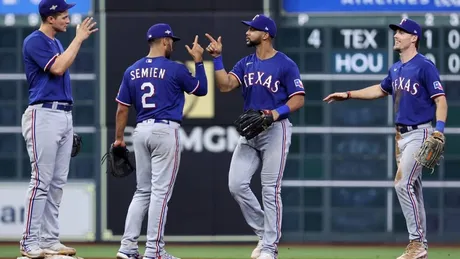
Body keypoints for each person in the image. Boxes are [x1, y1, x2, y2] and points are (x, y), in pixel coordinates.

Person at [323, 18, 447, 259]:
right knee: (414, 190)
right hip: (401, 135)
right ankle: (421, 247)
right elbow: (380, 90)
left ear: (414, 38)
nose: (396, 36)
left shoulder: (424, 66)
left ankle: (416, 244)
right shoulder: (396, 68)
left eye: (401, 32)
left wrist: (438, 130)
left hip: (420, 131)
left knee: (402, 184)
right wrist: (348, 94)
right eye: (396, 32)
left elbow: (440, 99)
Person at [204, 14, 305, 259]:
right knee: (236, 184)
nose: (247, 32)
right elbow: (225, 85)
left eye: (252, 29)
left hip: (276, 130)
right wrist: (217, 59)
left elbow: (299, 98)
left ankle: (270, 247)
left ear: (266, 34)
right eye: (248, 29)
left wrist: (275, 113)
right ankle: (265, 233)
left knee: (270, 189)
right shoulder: (245, 63)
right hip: (251, 131)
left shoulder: (285, 63)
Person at [114, 23, 208, 259]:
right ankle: (154, 250)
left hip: (141, 131)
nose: (172, 46)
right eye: (171, 42)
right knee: (160, 194)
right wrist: (198, 61)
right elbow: (201, 90)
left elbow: (122, 109)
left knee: (142, 191)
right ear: (165, 41)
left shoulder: (132, 70)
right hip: (165, 131)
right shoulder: (175, 69)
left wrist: (118, 139)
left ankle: (127, 247)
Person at [19, 0, 98, 258]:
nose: (67, 19)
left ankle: (49, 239)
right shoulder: (35, 40)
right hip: (42, 113)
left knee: (56, 183)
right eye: (63, 15)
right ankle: (29, 241)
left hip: (63, 113)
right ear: (50, 18)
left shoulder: (56, 42)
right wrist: (79, 39)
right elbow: (58, 67)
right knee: (41, 181)